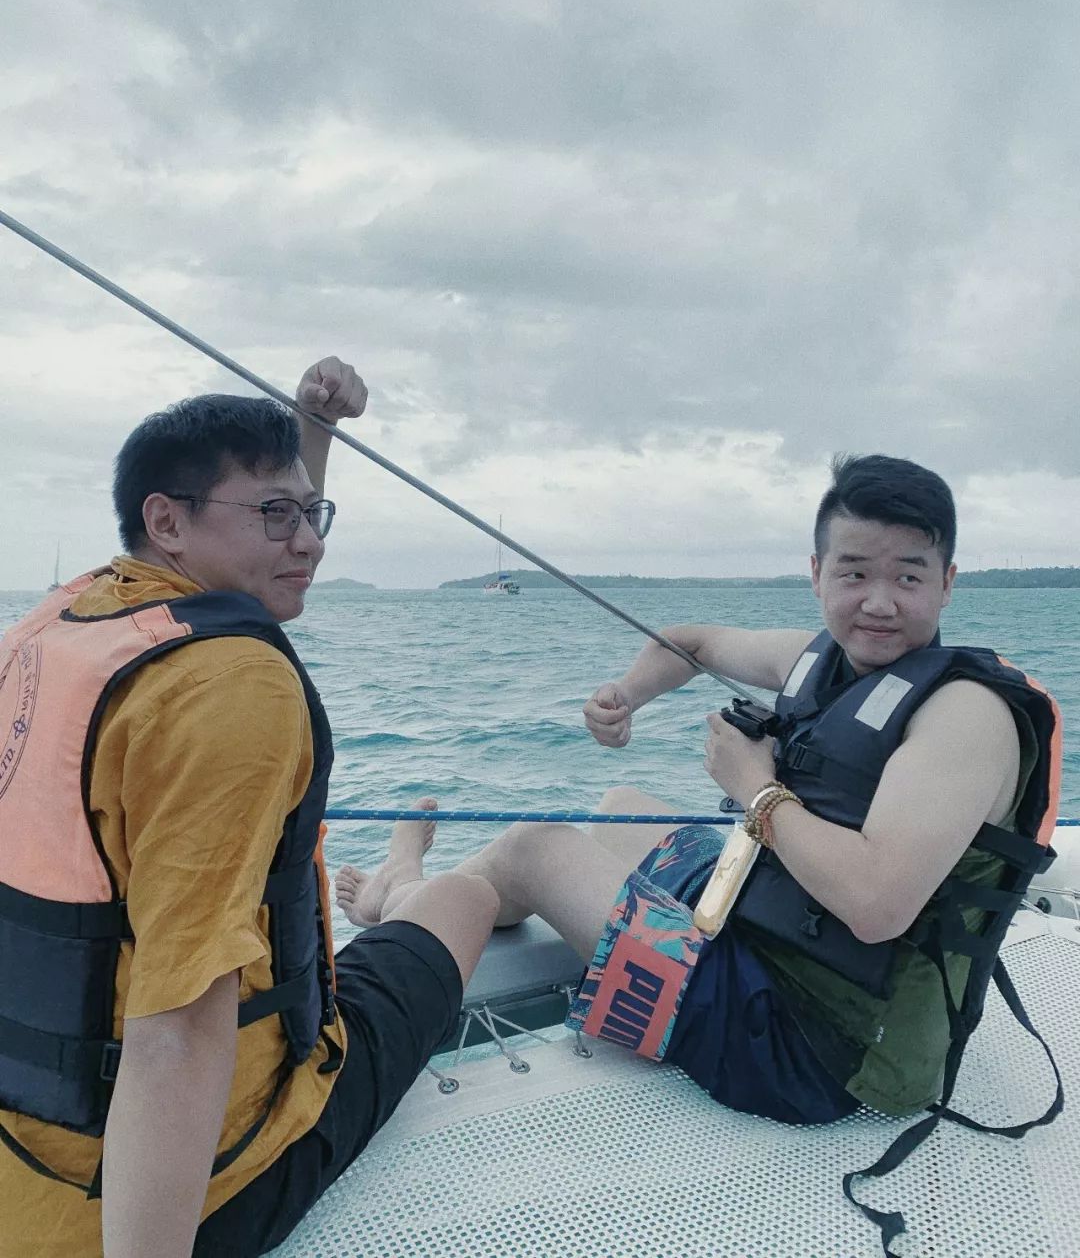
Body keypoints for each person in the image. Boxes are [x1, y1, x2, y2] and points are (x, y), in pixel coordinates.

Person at [337, 453, 1059, 1244]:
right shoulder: (829, 658)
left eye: (909, 577)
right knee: (618, 808)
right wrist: (626, 695)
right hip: (765, 934)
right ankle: (428, 892)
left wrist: (756, 788)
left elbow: (880, 902)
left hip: (815, 1045)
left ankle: (398, 897)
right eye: (855, 573)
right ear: (817, 573)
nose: (878, 602)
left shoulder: (964, 717)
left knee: (532, 847)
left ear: (948, 582)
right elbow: (692, 640)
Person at [0, 357, 500, 1258]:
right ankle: (402, 883)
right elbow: (181, 1027)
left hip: (25, 1153)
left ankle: (392, 882)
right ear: (167, 520)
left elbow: (244, 566)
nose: (309, 541)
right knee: (473, 900)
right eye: (278, 514)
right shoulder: (233, 684)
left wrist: (314, 436)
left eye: (314, 515)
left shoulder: (58, 629)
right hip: (196, 1186)